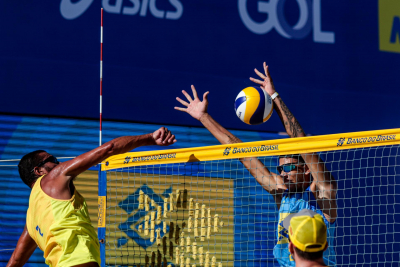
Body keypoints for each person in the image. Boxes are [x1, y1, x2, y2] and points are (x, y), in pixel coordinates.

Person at [174, 63, 337, 266]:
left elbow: (302, 143)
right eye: (280, 169)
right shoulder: (282, 195)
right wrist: (203, 117)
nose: (283, 174)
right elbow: (242, 153)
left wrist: (274, 96)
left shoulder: (324, 195)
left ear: (306, 169)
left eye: (288, 168)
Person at [7, 128, 177, 267]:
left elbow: (15, 260)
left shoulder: (32, 218)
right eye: (52, 159)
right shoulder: (51, 178)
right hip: (78, 263)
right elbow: (109, 148)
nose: (58, 163)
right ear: (39, 171)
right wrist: (149, 138)